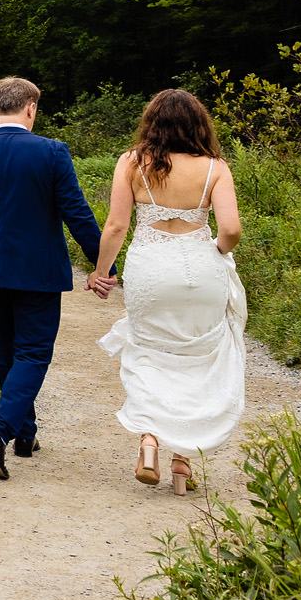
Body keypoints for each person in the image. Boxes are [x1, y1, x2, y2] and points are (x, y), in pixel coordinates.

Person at [0, 76, 105, 480]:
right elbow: (77, 212)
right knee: (33, 353)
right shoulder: (51, 152)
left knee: (8, 351)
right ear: (30, 108)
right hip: (38, 272)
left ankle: (25, 434)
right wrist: (103, 265)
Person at [87, 90, 244, 496]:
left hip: (150, 268)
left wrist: (101, 273)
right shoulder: (215, 168)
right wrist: (214, 253)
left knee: (149, 352)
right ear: (198, 124)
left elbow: (116, 226)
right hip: (200, 269)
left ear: (151, 122)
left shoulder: (133, 162)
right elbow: (230, 231)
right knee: (198, 358)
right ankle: (182, 462)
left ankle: (150, 442)